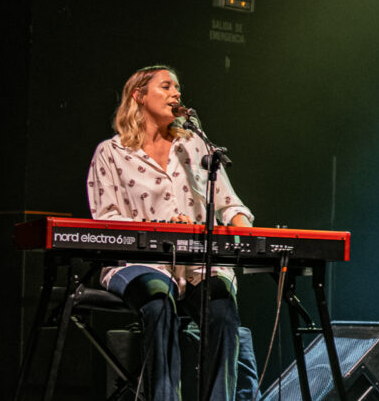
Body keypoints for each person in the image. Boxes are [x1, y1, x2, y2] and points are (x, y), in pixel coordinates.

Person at [87, 65, 254, 400]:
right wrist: (160, 229)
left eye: (178, 88)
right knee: (159, 303)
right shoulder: (111, 152)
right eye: (166, 86)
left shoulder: (194, 146)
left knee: (222, 310)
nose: (176, 94)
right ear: (139, 94)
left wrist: (243, 227)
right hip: (137, 262)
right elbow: (106, 218)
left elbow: (229, 203)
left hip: (196, 263)